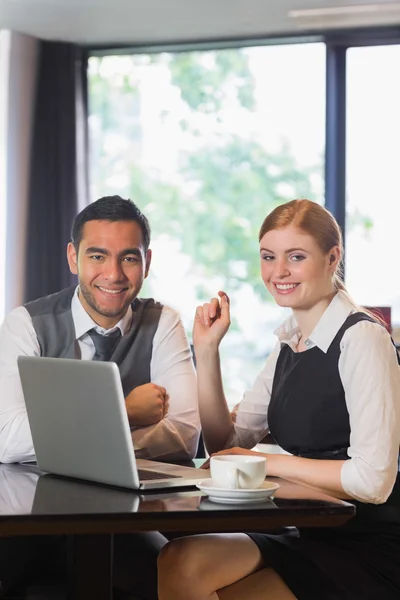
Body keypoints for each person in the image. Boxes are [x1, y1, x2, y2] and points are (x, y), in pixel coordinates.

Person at [157, 199, 400, 600]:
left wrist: (267, 463)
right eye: (269, 257)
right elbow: (227, 443)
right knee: (179, 560)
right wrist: (207, 351)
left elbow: (372, 481)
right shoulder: (290, 339)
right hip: (313, 531)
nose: (278, 272)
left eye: (296, 256)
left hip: (374, 545)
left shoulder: (362, 338)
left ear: (331, 257)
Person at [0, 195, 200, 599]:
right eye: (97, 256)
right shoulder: (27, 324)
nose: (113, 274)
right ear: (73, 258)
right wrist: (126, 413)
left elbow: (183, 434)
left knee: (166, 576)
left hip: (132, 518)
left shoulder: (164, 322)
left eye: (128, 258)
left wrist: (65, 439)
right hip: (35, 520)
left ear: (146, 261)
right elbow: (7, 439)